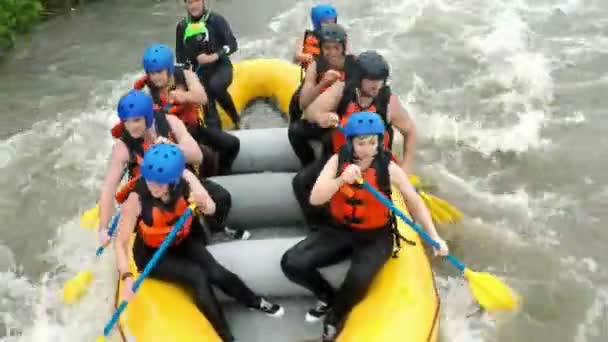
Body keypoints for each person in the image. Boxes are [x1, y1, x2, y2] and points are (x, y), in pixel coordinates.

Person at [281, 112, 448, 341]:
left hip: (376, 237)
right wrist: (341, 180)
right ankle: (328, 297)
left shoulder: (387, 167)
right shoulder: (338, 161)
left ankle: (334, 317)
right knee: (292, 263)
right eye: (361, 143)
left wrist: (434, 236)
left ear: (380, 141)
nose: (368, 149)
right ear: (350, 142)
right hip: (340, 230)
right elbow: (315, 199)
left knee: (359, 279)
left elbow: (415, 201)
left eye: (373, 142)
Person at [114, 144, 284, 342]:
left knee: (216, 272)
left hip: (182, 240)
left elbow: (211, 209)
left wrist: (203, 202)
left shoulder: (186, 179)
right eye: (151, 181)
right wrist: (126, 276)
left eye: (160, 183)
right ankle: (225, 336)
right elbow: (121, 242)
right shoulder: (137, 198)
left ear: (174, 180)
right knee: (197, 276)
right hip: (153, 253)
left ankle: (254, 301)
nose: (154, 187)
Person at [99, 90, 247, 251]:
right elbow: (108, 188)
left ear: (148, 117)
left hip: (179, 182)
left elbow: (197, 156)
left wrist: (174, 148)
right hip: (149, 194)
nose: (130, 127)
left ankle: (217, 229)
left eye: (136, 120)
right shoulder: (123, 148)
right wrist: (103, 228)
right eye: (126, 121)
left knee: (221, 197)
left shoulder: (170, 122)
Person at [292, 50, 416, 229]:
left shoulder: (388, 102)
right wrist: (323, 118)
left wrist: (406, 168)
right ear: (358, 78)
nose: (377, 85)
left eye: (380, 79)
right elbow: (311, 112)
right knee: (301, 183)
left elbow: (410, 131)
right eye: (371, 80)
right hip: (342, 157)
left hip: (374, 161)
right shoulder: (342, 90)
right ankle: (320, 225)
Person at [288, 23, 357, 167]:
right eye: (327, 48)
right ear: (320, 48)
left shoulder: (353, 64)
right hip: (318, 114)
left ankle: (328, 168)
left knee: (329, 140)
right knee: (294, 131)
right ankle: (308, 163)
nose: (332, 52)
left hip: (342, 116)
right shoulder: (316, 65)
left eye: (336, 48)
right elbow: (303, 103)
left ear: (343, 48)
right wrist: (322, 84)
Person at [176, 0, 240, 131]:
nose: (193, 5)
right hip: (200, 74)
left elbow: (233, 45)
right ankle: (218, 137)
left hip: (221, 67)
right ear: (185, 4)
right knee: (207, 103)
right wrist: (186, 78)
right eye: (189, 2)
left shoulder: (216, 20)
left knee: (215, 86)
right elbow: (180, 57)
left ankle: (237, 120)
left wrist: (213, 56)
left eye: (196, 1)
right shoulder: (182, 26)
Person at [293, 4, 339, 71]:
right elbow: (297, 56)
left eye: (333, 22)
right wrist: (308, 57)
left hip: (329, 74)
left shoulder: (339, 38)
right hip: (308, 72)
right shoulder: (304, 36)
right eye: (326, 22)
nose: (330, 25)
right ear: (317, 23)